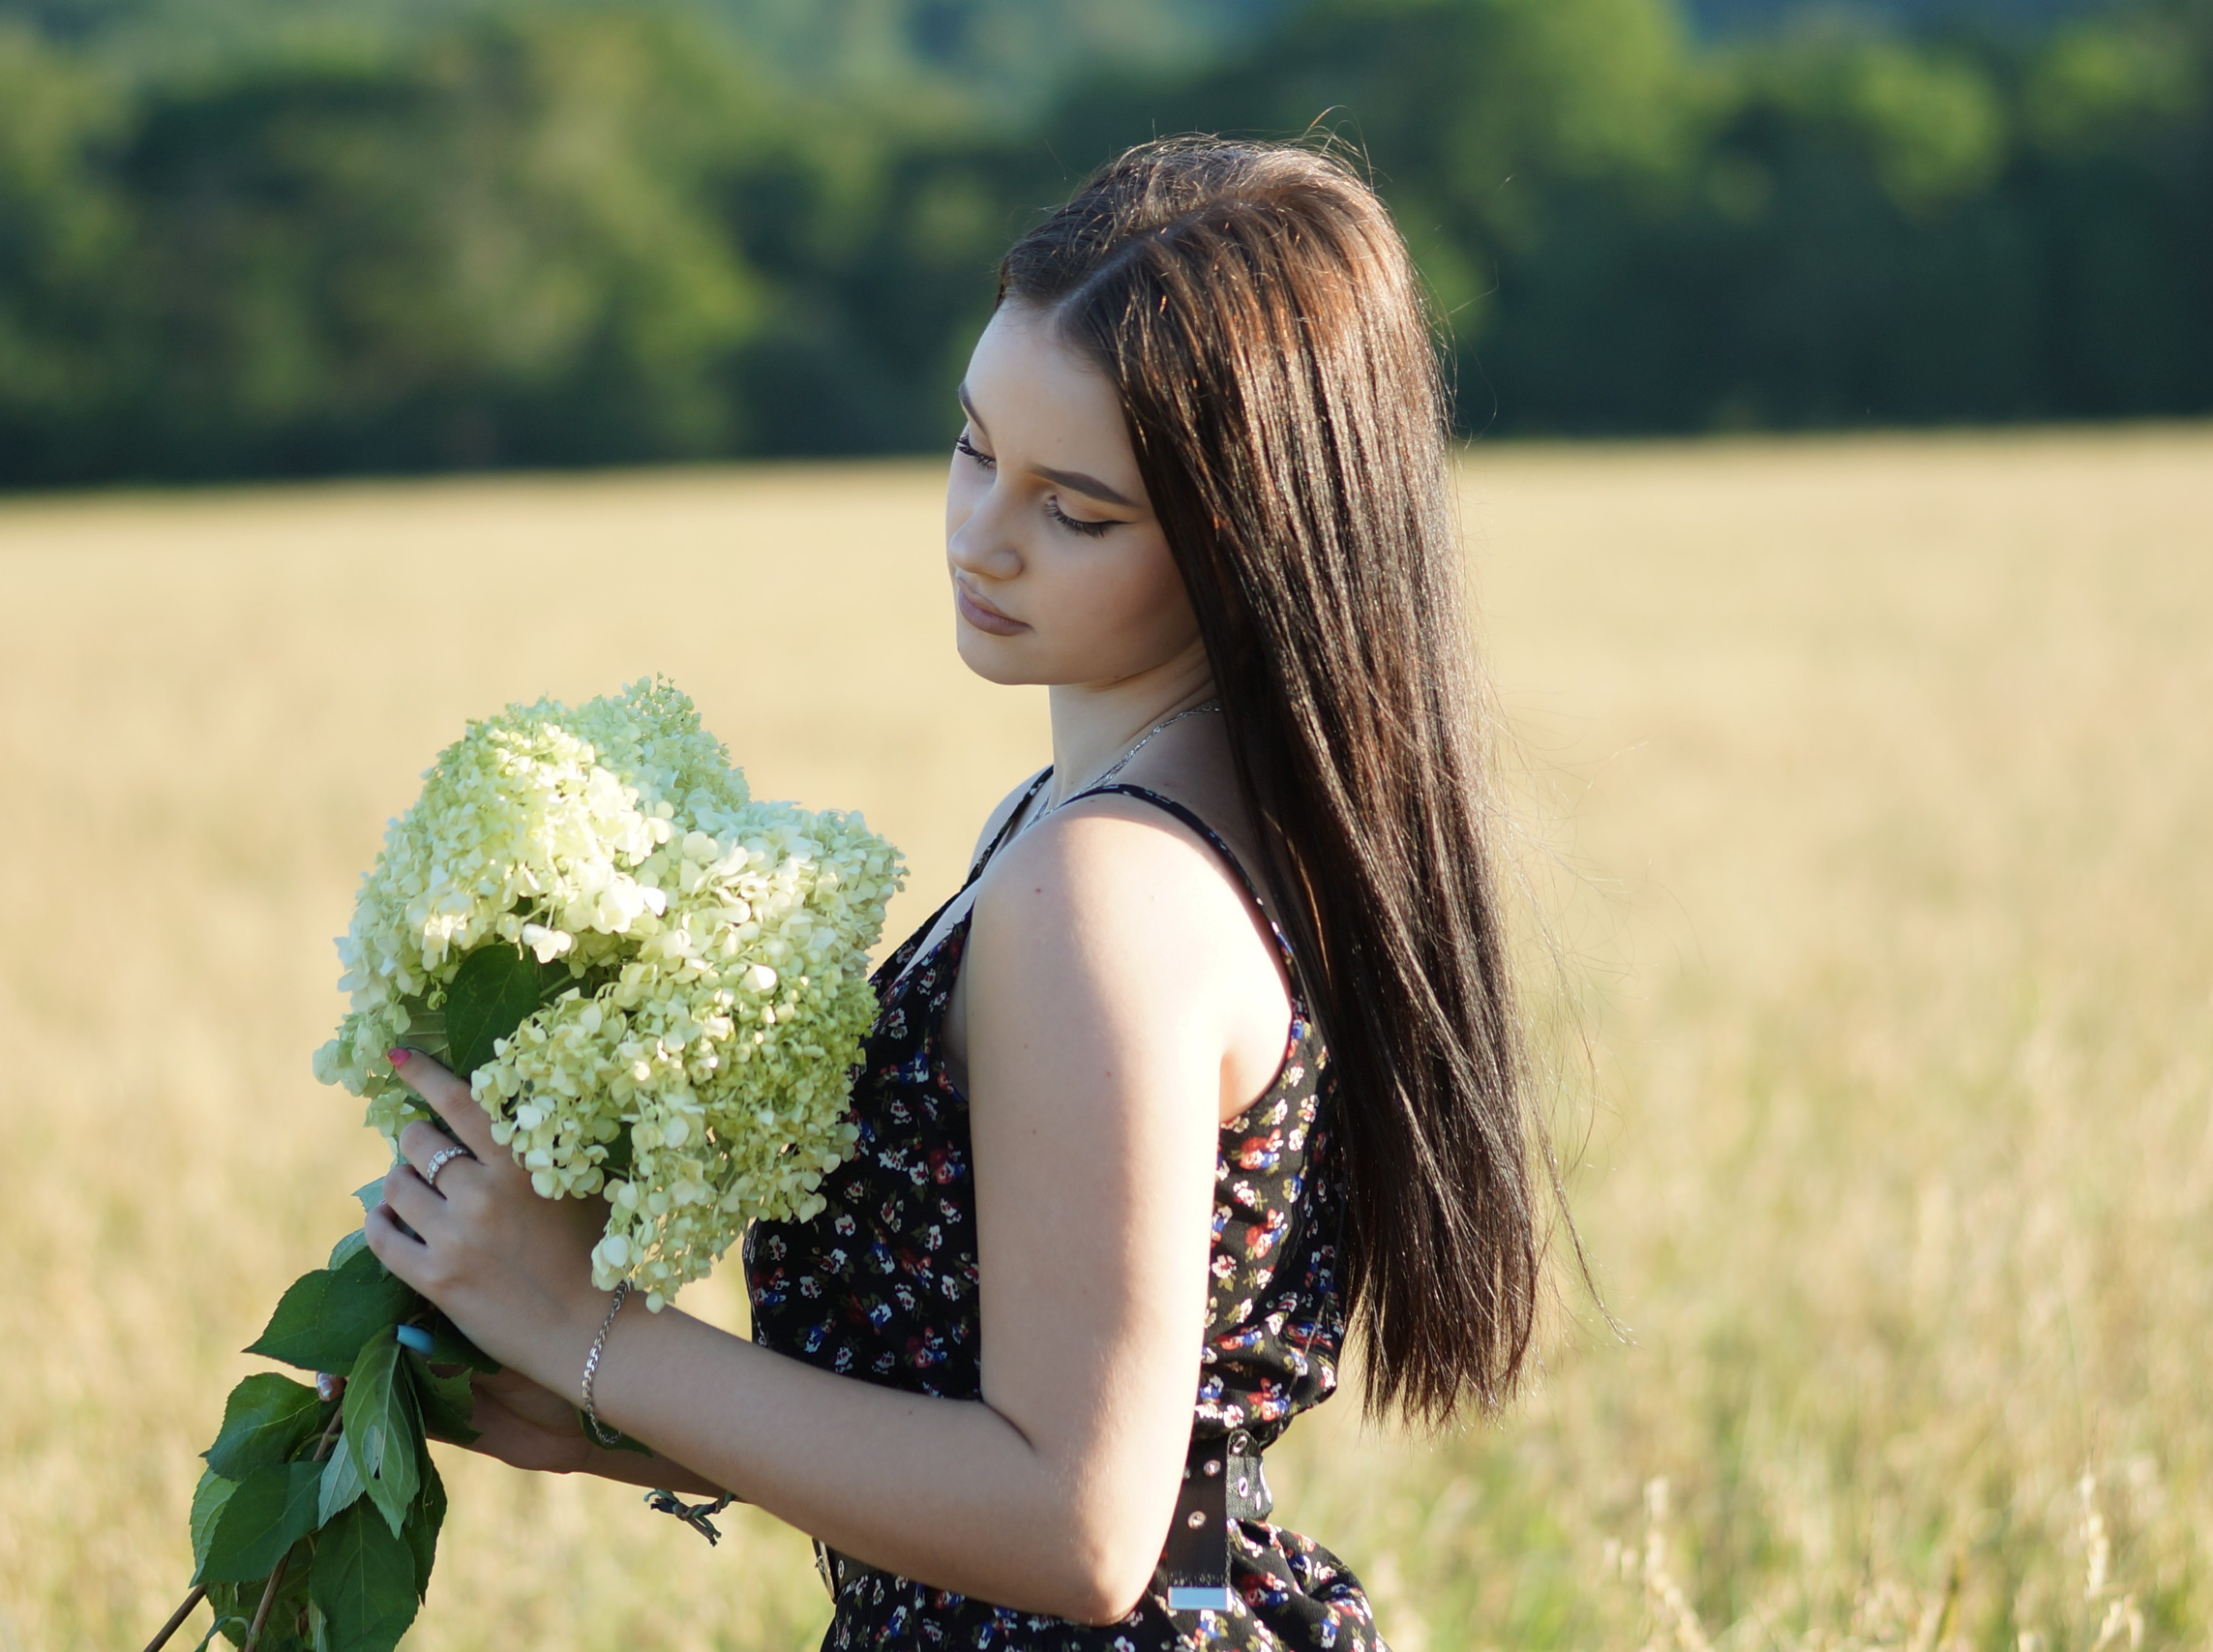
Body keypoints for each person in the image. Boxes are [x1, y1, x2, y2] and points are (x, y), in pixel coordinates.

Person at [363, 135, 1546, 1650]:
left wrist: (591, 1333)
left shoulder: (1107, 889)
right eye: (978, 445)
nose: (982, 533)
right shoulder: (1197, 824)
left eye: (1080, 509)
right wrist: (588, 1404)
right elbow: (1035, 1431)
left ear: (1249, 541)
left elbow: (1078, 1523)